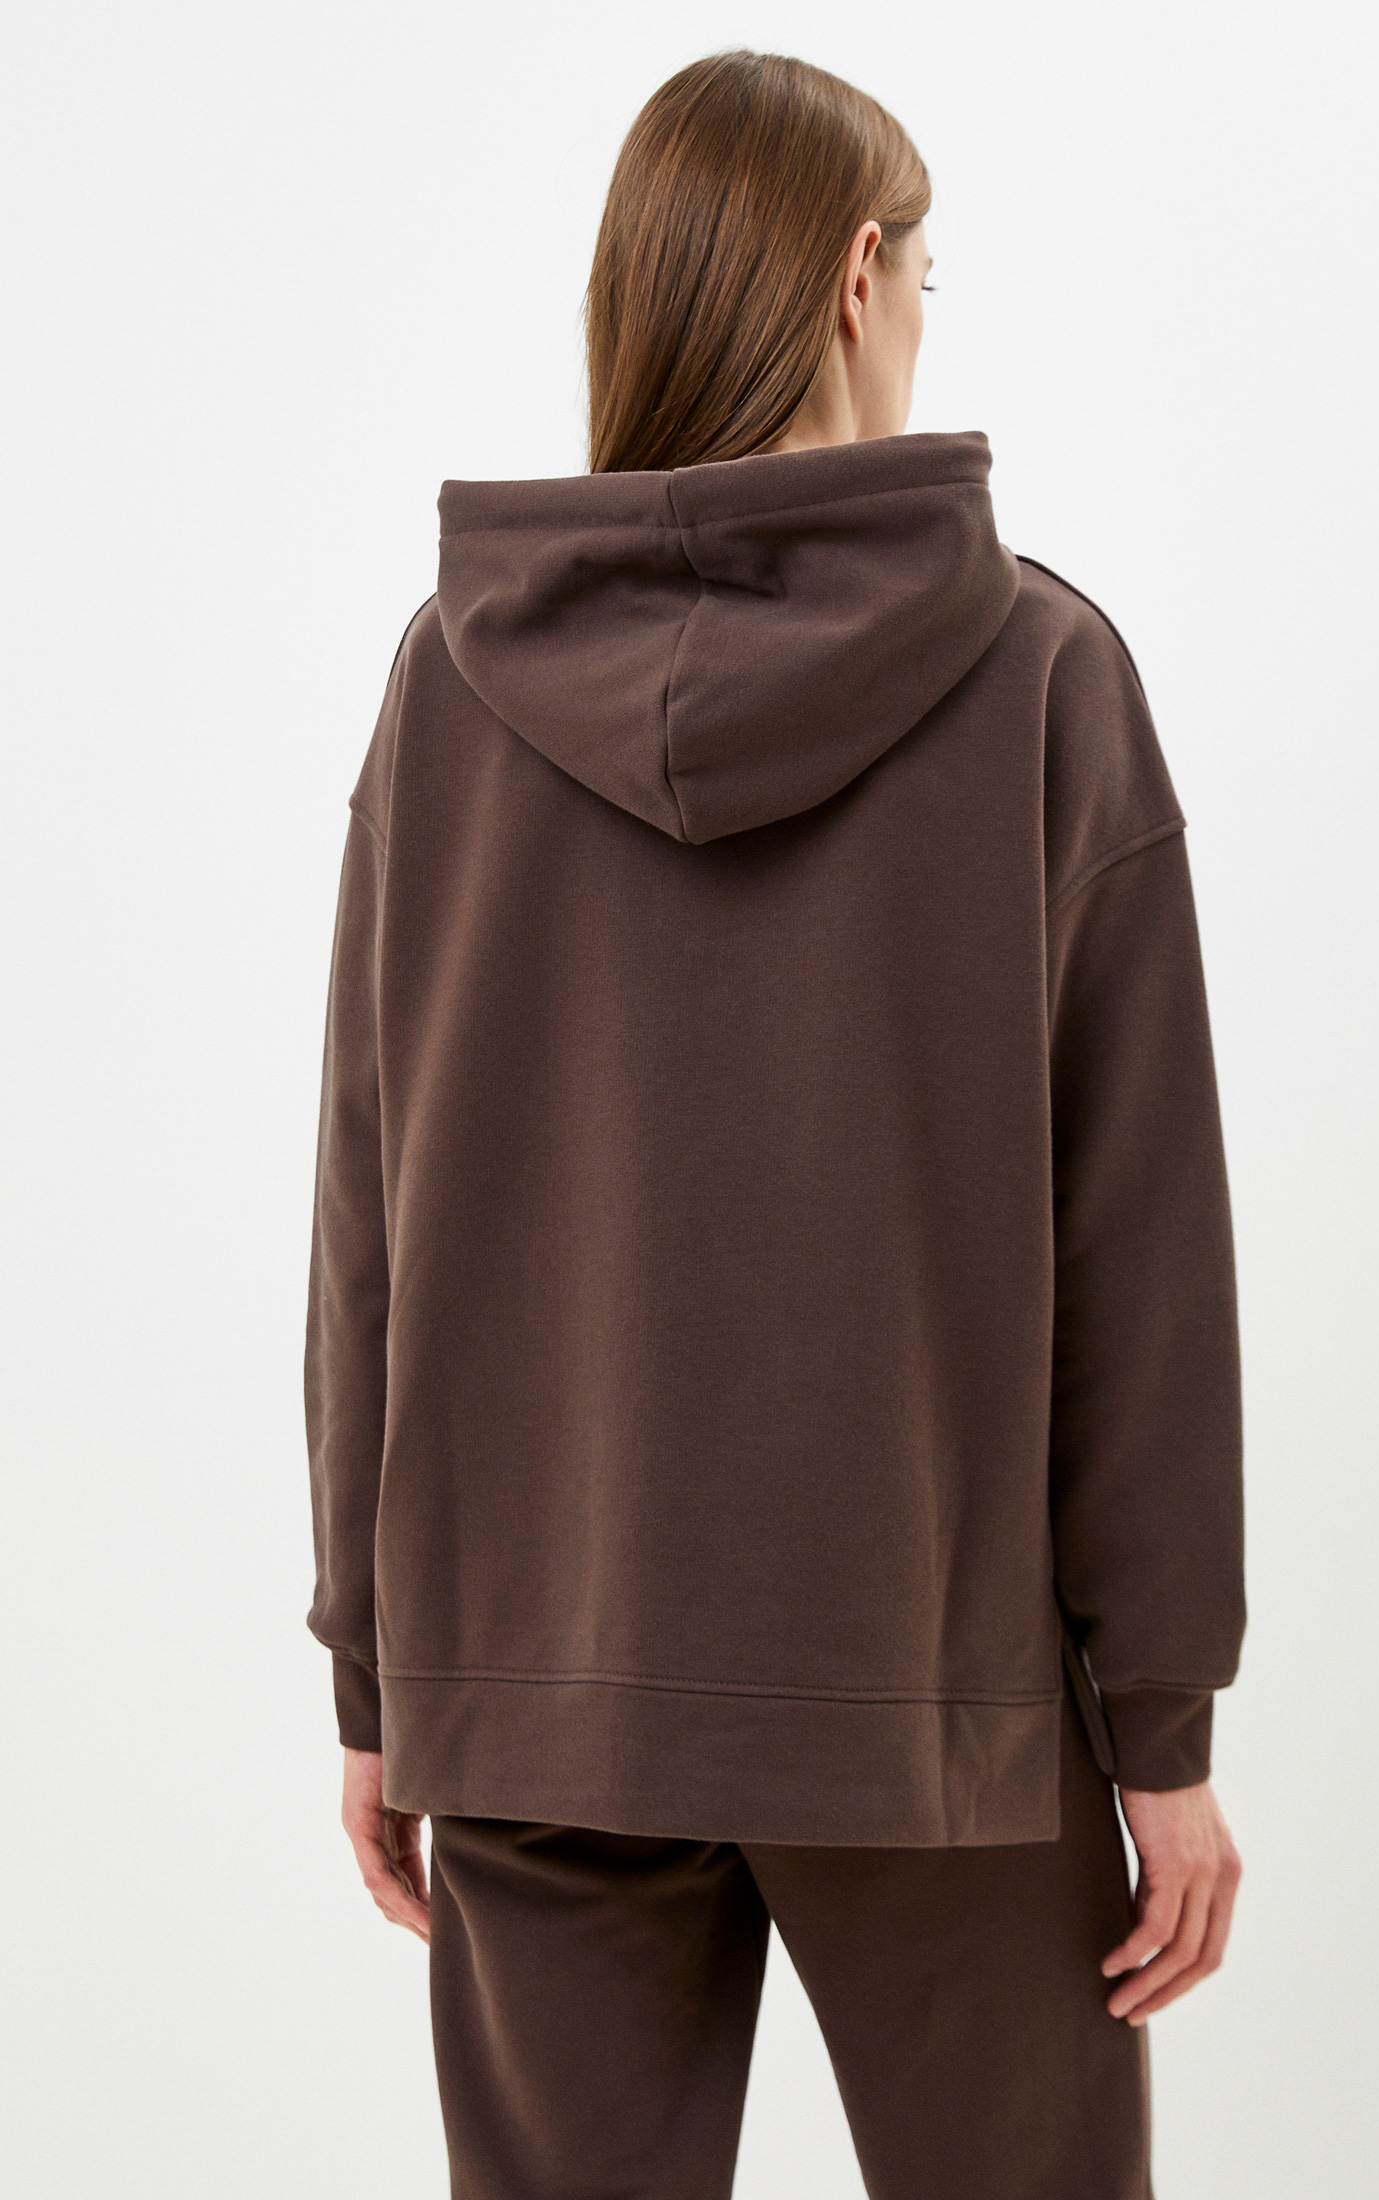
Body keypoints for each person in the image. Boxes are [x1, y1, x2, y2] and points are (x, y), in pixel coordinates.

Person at [304, 46, 1246, 2200]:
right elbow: (1139, 1251)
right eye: (926, 277)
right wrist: (1164, 1727)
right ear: (855, 276)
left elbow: (373, 1215)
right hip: (943, 1702)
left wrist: (380, 1669)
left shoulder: (449, 685)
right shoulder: (1037, 675)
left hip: (533, 1683)